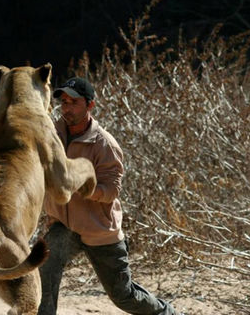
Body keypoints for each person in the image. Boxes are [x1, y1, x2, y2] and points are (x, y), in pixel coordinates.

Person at [39, 77, 183, 315]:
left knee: (124, 296)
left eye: (74, 102)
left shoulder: (105, 144)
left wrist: (84, 188)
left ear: (90, 105)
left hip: (100, 231)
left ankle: (168, 313)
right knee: (44, 277)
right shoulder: (51, 136)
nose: (67, 108)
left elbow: (111, 192)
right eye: (64, 102)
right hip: (63, 227)